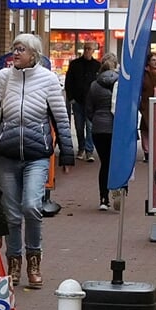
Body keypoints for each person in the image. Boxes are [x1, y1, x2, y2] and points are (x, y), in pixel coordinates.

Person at [0, 31, 75, 288]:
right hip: (7, 155)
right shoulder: (3, 77)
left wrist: (67, 152)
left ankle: (34, 259)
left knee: (31, 206)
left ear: (34, 54)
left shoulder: (48, 80)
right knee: (11, 214)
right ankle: (14, 264)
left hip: (37, 155)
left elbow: (60, 116)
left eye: (21, 49)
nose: (15, 53)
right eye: (14, 48)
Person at [88, 59, 119, 210]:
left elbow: (89, 109)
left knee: (105, 163)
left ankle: (103, 198)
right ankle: (118, 191)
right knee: (117, 161)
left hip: (99, 129)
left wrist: (95, 119)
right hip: (116, 128)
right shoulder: (121, 84)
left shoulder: (94, 85)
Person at [65, 48, 101, 161]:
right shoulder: (75, 64)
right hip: (78, 101)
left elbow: (99, 82)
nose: (88, 51)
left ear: (93, 51)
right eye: (86, 49)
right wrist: (71, 98)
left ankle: (89, 151)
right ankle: (81, 147)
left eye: (90, 49)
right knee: (79, 127)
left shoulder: (97, 65)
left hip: (91, 102)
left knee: (90, 127)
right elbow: (68, 81)